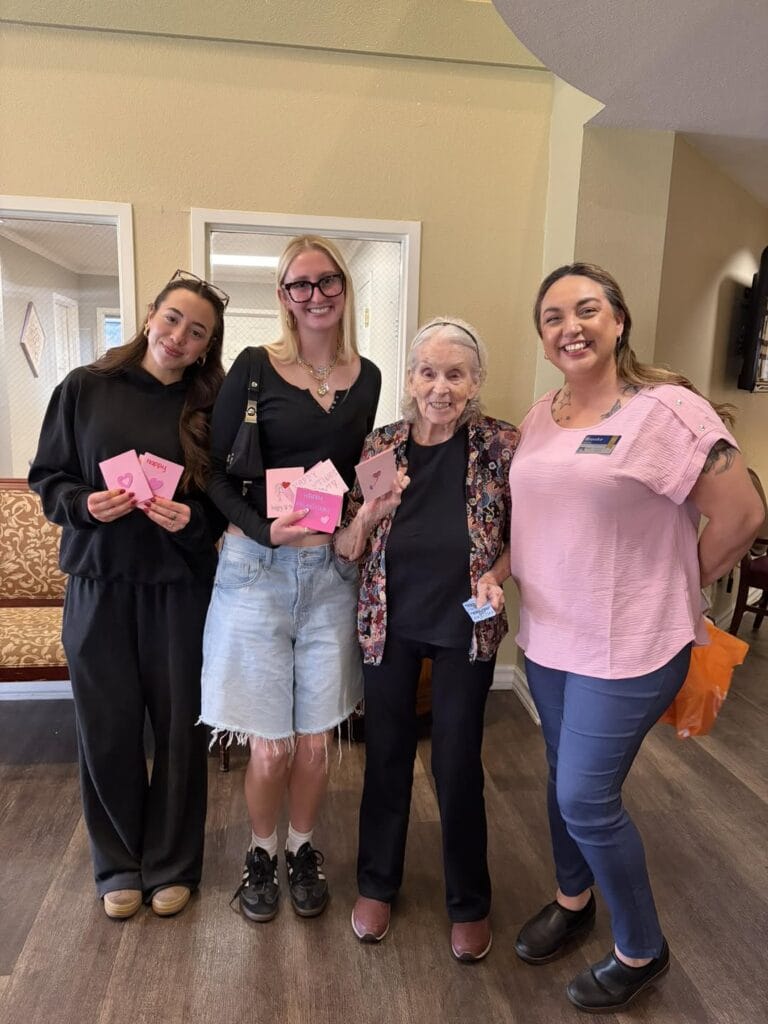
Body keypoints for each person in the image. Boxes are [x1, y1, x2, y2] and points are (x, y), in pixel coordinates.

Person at [503, 263, 764, 1012]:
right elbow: (536, 520)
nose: (570, 326)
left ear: (618, 321)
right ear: (544, 337)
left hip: (632, 645)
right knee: (560, 780)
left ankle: (642, 948)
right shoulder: (540, 414)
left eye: (586, 309)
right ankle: (573, 899)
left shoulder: (666, 412)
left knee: (585, 797)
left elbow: (742, 516)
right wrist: (494, 572)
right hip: (550, 638)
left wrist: (678, 586)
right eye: (552, 316)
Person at [29, 270, 228, 919]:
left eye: (196, 331)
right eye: (173, 318)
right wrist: (85, 503)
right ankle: (117, 863)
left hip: (179, 592)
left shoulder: (210, 409)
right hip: (98, 586)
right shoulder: (85, 389)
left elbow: (225, 506)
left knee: (178, 732)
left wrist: (193, 521)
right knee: (107, 730)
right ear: (150, 315)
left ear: (206, 346)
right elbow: (47, 477)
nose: (179, 336)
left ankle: (173, 863)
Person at [201, 235, 381, 923]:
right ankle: (259, 854)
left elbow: (356, 470)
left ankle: (302, 848)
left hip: (329, 573)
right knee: (270, 746)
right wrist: (261, 527)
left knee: (315, 740)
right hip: (257, 569)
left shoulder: (366, 377)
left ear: (344, 286)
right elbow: (214, 474)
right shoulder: (254, 366)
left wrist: (364, 516)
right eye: (298, 284)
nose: (314, 295)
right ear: (282, 296)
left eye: (326, 280)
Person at [335, 317, 519, 962]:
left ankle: (468, 901)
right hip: (389, 623)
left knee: (456, 763)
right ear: (411, 379)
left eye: (456, 374)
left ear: (475, 382)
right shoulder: (381, 444)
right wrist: (368, 515)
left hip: (464, 627)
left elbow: (524, 540)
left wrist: (497, 577)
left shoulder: (500, 445)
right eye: (428, 373)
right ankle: (376, 884)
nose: (441, 387)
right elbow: (350, 547)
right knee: (384, 755)